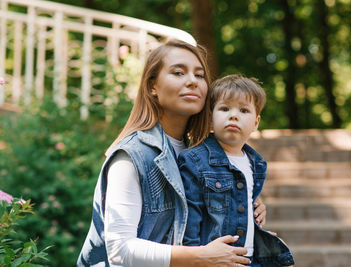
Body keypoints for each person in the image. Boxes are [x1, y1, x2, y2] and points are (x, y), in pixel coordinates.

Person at [77, 40, 267, 267]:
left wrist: (245, 203)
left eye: (199, 75)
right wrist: (201, 257)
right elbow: (120, 250)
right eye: (178, 72)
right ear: (152, 87)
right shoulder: (131, 155)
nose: (192, 81)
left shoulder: (202, 157)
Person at [178, 74, 295, 266]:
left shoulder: (255, 163)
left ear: (256, 123)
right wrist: (196, 258)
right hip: (214, 259)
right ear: (210, 118)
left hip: (249, 258)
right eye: (224, 108)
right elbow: (190, 218)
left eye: (243, 110)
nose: (233, 115)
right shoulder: (195, 161)